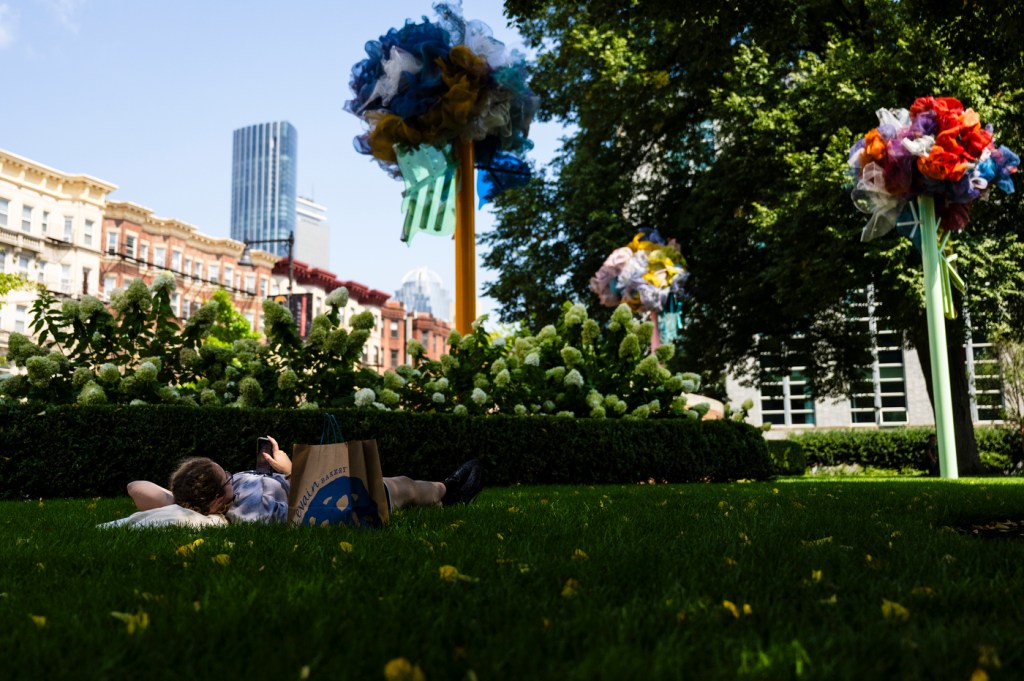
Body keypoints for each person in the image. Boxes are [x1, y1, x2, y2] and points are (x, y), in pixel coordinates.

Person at [126, 435, 484, 523]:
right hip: (343, 500)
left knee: (399, 482)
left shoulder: (213, 499)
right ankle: (448, 492)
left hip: (321, 490)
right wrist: (288, 469)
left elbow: (134, 488)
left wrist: (176, 499)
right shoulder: (249, 510)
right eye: (226, 480)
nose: (232, 477)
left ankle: (443, 493)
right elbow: (304, 509)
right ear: (219, 500)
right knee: (402, 485)